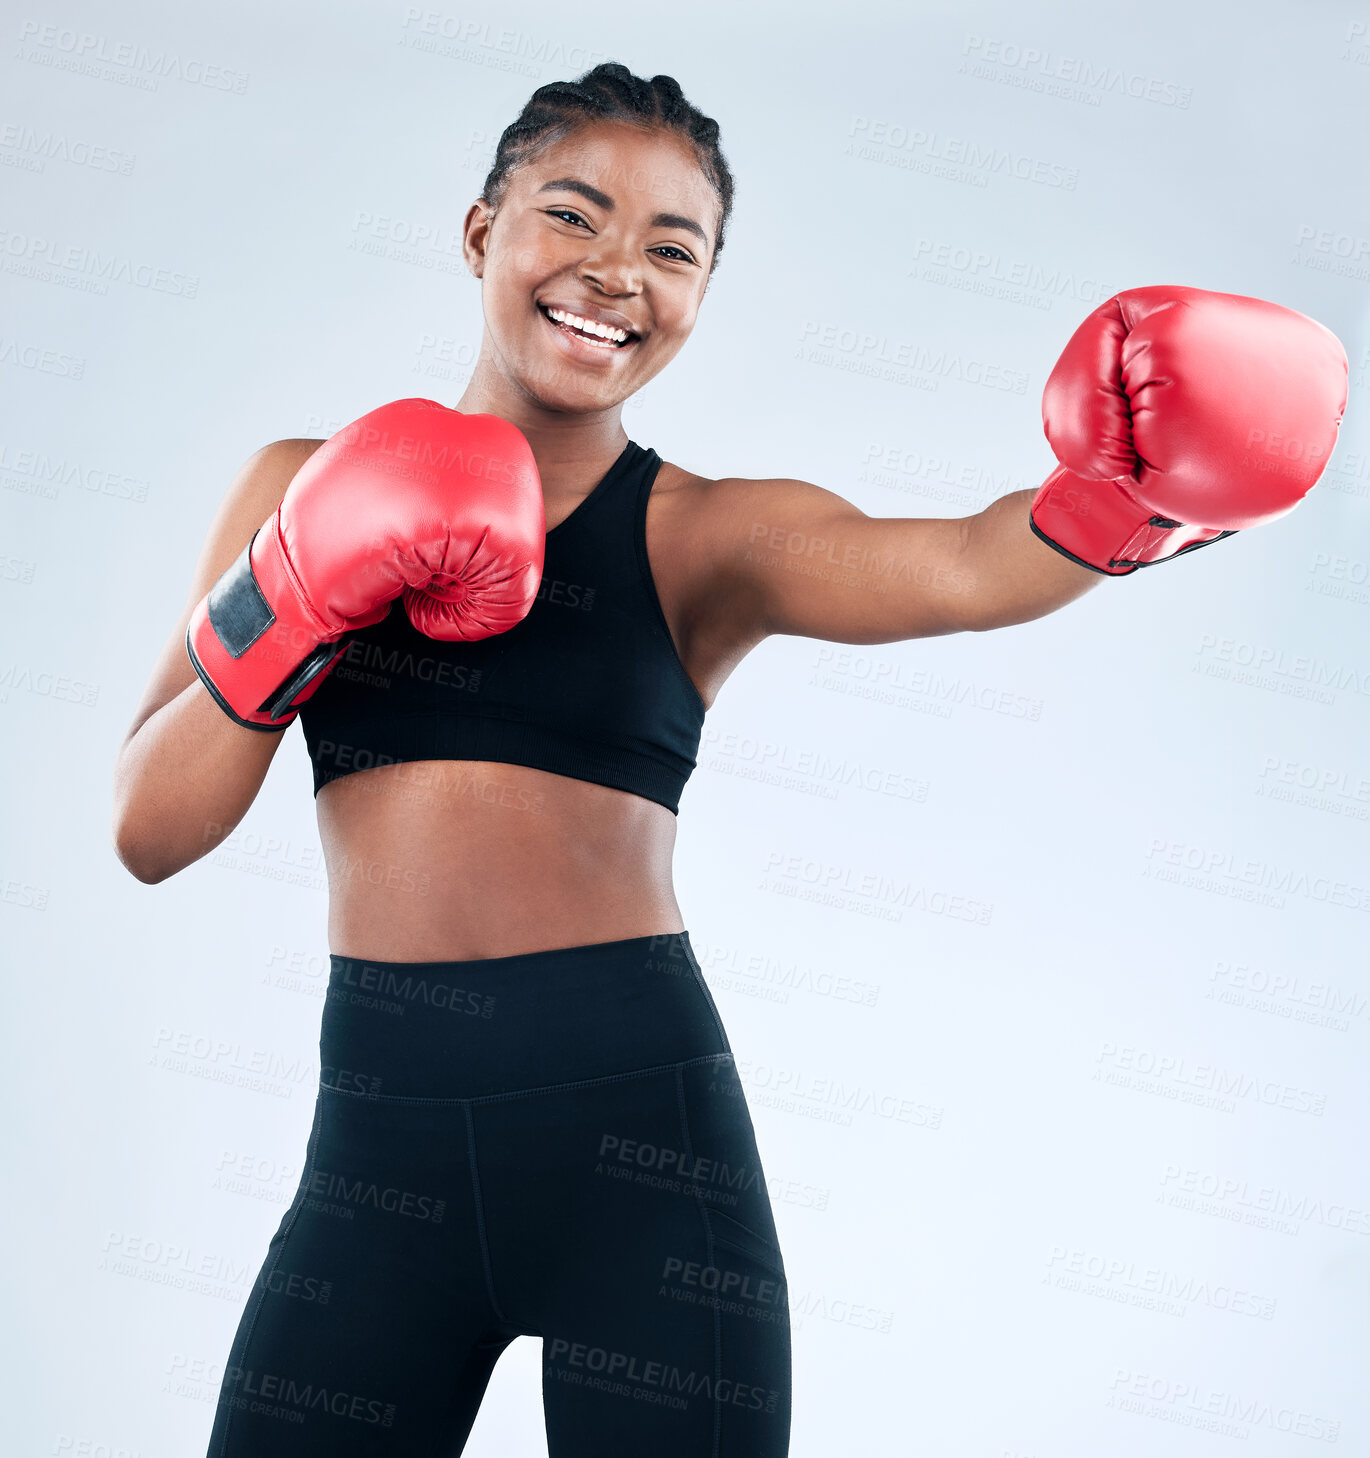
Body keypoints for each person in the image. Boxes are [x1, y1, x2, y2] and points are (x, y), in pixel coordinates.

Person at [111, 61, 1347, 1458]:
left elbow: (950, 565)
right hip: (374, 1161)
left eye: (669, 247)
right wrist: (302, 584)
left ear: (703, 293)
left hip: (641, 1155)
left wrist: (1128, 499)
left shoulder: (707, 535)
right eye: (571, 217)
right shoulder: (299, 483)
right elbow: (149, 830)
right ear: (478, 233)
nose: (613, 272)